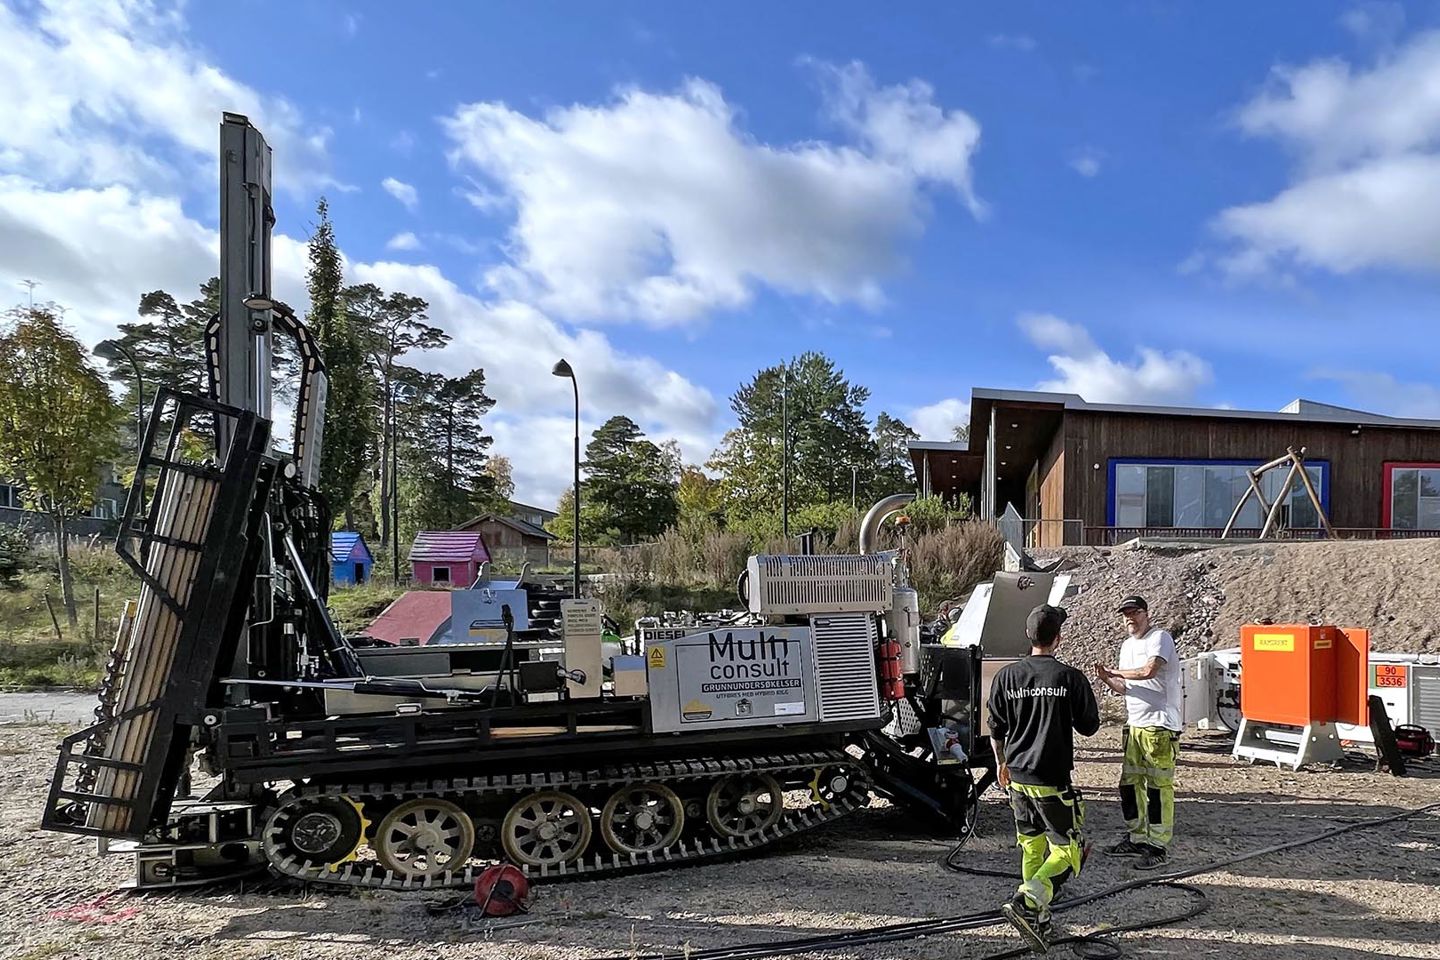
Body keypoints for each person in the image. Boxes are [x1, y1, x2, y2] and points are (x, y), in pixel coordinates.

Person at [988, 603, 1101, 952]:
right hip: (1051, 780)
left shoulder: (1006, 677)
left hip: (1018, 777)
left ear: (1028, 635)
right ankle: (1028, 903)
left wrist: (1000, 764)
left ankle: (1038, 916)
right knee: (1069, 853)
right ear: (1059, 637)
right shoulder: (1069, 678)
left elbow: (996, 728)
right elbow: (1090, 726)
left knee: (1032, 846)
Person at [1094, 594, 1183, 871]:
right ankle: (1136, 837)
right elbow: (1126, 687)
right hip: (1134, 725)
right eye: (1126, 615)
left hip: (1159, 726)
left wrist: (1113, 671)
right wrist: (1108, 679)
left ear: (1146, 614)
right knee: (1130, 785)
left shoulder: (1160, 639)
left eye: (1134, 613)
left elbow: (1148, 671)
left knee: (1157, 788)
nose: (1130, 619)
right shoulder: (1126, 646)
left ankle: (1157, 845)